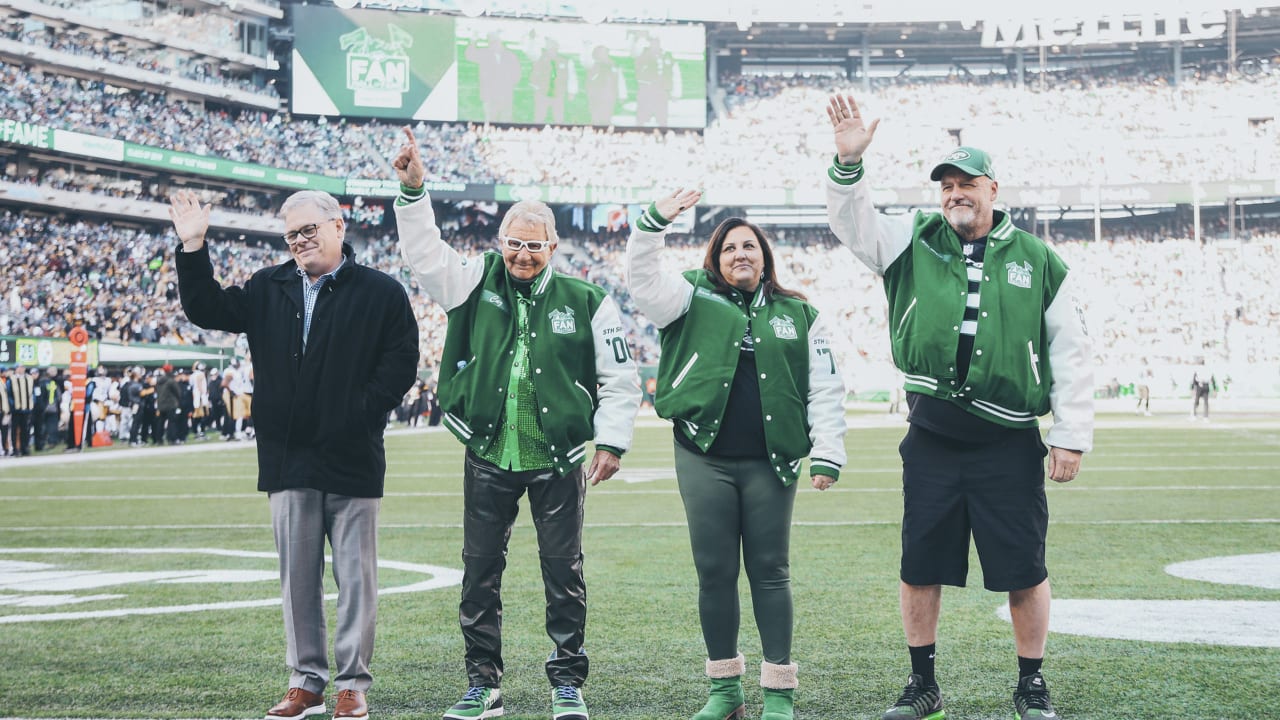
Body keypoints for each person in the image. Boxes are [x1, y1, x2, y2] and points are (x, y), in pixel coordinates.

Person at [823, 95, 1094, 720]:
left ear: (992, 188)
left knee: (1024, 568)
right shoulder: (910, 239)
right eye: (946, 186)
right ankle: (923, 684)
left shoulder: (1039, 259)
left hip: (1008, 438)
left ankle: (1031, 683)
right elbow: (851, 223)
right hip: (933, 435)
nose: (954, 194)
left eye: (966, 183)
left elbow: (1072, 350)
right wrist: (847, 163)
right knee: (921, 564)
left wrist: (1070, 433)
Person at [391, 127, 641, 720]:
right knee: (479, 571)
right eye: (514, 243)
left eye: (535, 244)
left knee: (564, 573)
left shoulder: (588, 300)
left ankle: (566, 683)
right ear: (500, 240)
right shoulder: (475, 278)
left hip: (558, 459)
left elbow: (621, 378)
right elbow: (426, 256)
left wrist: (612, 441)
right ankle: (484, 684)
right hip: (488, 452)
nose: (523, 254)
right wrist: (414, 192)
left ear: (554, 245)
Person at [170, 187, 419, 720]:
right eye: (291, 235)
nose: (300, 242)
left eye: (308, 230)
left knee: (356, 580)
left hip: (352, 455)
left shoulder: (381, 292)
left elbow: (400, 364)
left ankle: (352, 684)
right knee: (297, 580)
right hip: (288, 458)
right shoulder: (269, 285)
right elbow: (206, 307)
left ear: (338, 226)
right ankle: (306, 680)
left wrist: (359, 414)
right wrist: (193, 248)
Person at [625, 192, 847, 720]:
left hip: (773, 462)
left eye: (749, 245)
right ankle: (725, 692)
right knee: (715, 571)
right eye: (729, 248)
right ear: (715, 258)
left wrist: (828, 453)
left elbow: (826, 388)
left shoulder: (800, 313)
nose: (740, 254)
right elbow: (640, 277)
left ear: (765, 256)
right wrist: (653, 223)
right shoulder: (685, 295)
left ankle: (778, 694)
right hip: (704, 454)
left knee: (771, 570)